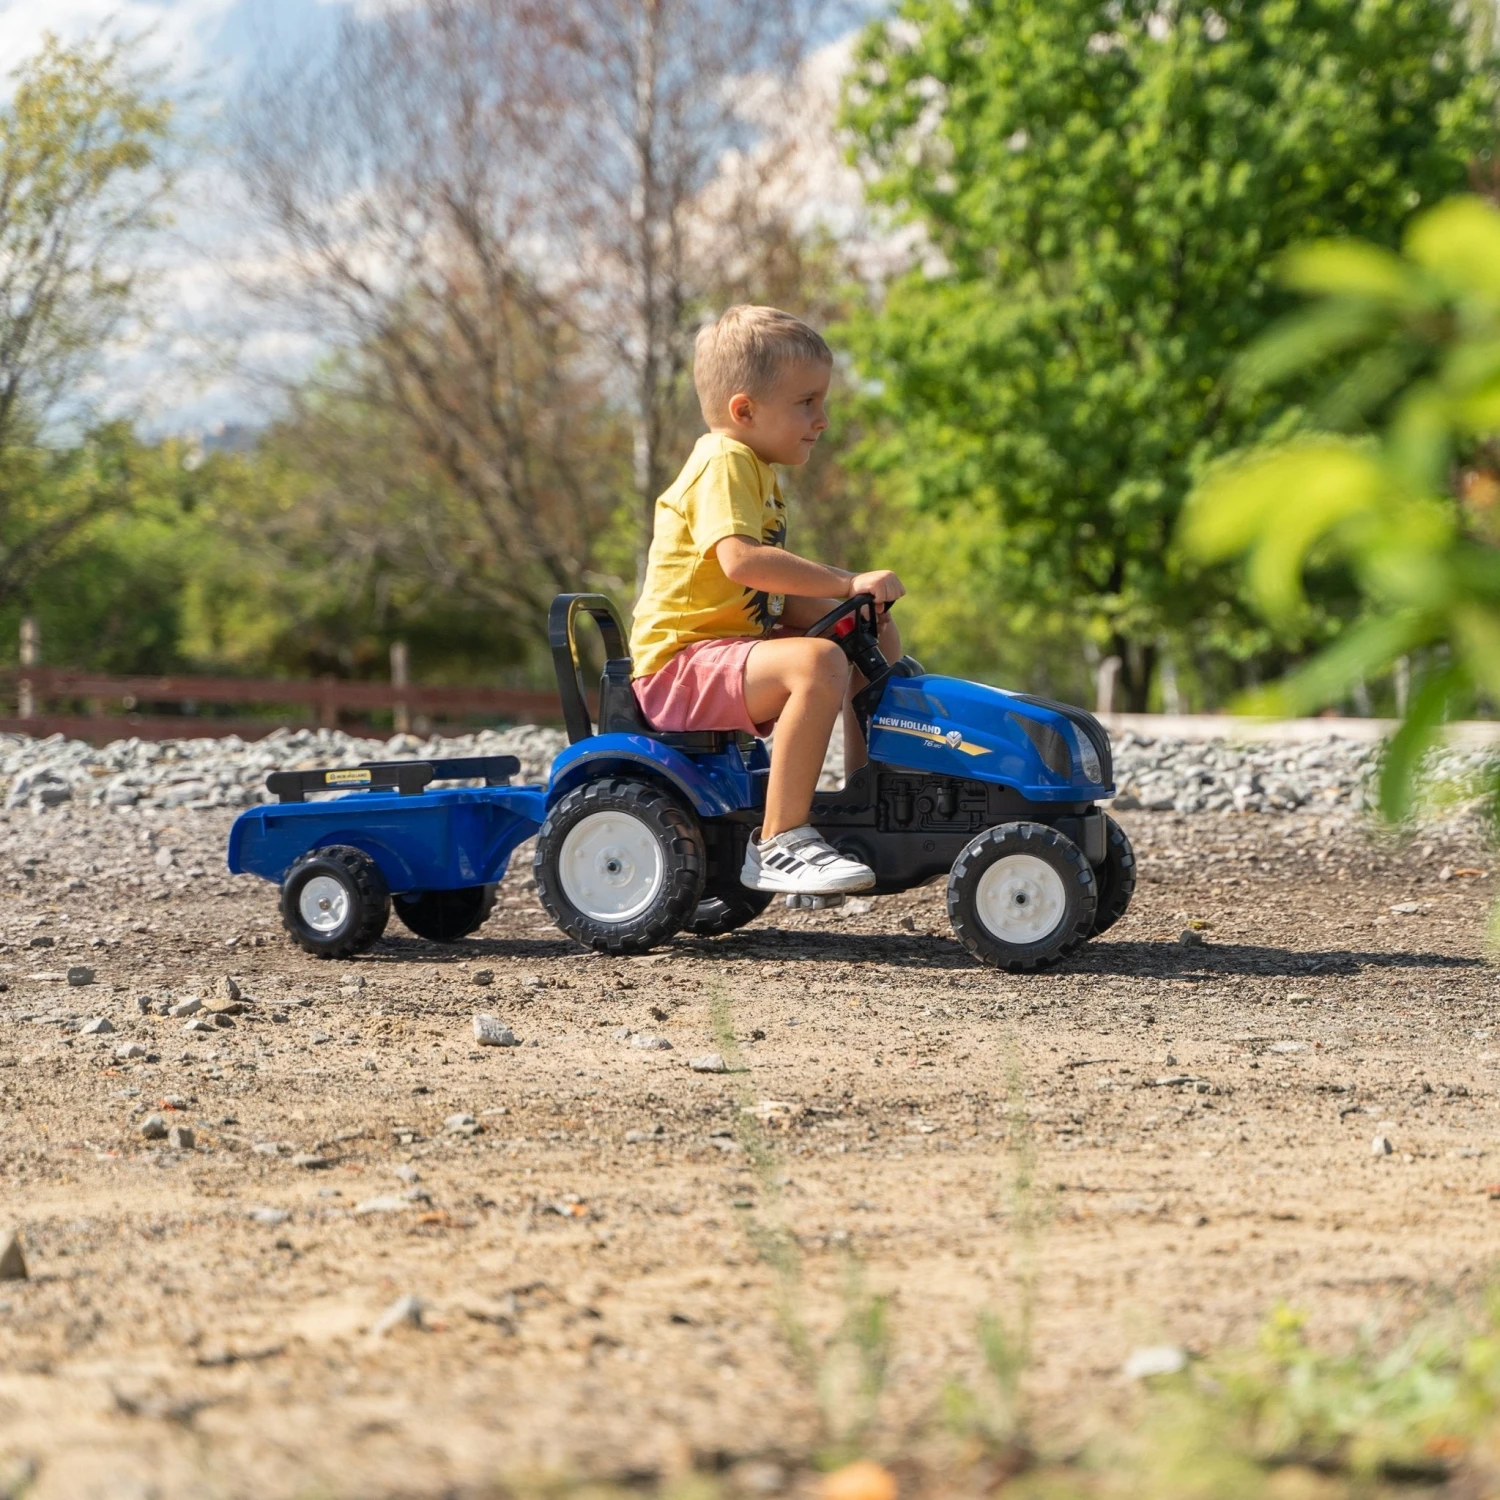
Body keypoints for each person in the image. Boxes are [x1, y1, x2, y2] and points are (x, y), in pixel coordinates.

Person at [629, 305, 905, 895]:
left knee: (870, 628)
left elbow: (759, 593)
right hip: (680, 666)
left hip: (726, 651)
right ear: (744, 410)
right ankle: (780, 841)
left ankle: (871, 796)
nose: (822, 419)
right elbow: (742, 562)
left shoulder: (758, 470)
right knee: (818, 661)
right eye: (807, 402)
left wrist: (854, 609)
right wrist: (846, 582)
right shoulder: (723, 461)